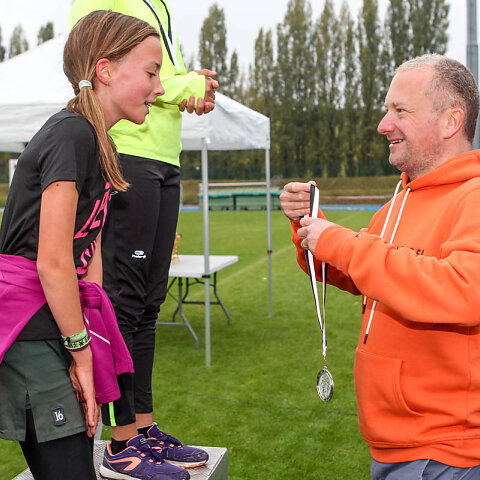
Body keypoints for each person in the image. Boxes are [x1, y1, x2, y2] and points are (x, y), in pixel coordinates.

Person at [0, 9, 189, 480]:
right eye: (151, 73)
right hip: (29, 327)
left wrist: (84, 339)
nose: (160, 88)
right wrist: (81, 349)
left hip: (58, 325)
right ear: (105, 70)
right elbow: (53, 262)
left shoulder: (99, 141)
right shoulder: (71, 134)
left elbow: (90, 256)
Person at [281, 54, 480, 479]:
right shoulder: (400, 201)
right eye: (387, 110)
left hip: (444, 452)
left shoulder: (474, 196)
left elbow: (464, 290)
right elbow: (360, 272)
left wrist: (340, 242)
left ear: (451, 121)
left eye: (400, 110)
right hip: (397, 442)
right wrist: (309, 228)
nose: (383, 124)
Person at [69, 1, 218, 478]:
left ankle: (143, 427)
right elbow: (91, 61)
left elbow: (157, 71)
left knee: (150, 303)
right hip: (127, 149)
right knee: (124, 303)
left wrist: (184, 81)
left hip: (165, 156)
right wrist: (186, 86)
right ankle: (120, 443)